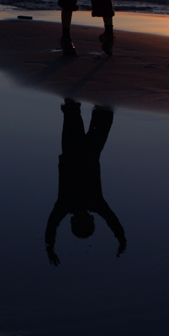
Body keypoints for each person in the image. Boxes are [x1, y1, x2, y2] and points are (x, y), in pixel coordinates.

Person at [45, 99, 126, 266]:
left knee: (100, 112)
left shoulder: (92, 202)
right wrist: (49, 247)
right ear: (72, 221)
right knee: (73, 109)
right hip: (74, 153)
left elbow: (112, 221)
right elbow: (52, 224)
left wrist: (122, 240)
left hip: (86, 154)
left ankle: (97, 86)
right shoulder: (69, 204)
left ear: (90, 220)